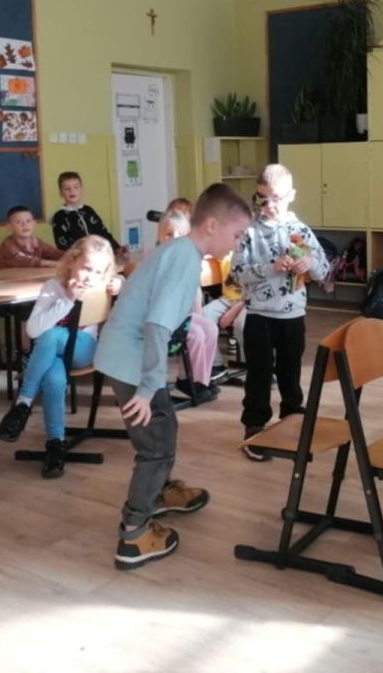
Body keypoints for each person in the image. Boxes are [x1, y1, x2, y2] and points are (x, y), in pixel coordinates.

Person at [94, 184, 251, 570]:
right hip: (133, 365)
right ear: (212, 225)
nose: (238, 243)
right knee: (155, 446)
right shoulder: (184, 259)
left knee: (164, 429)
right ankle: (134, 533)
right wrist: (149, 387)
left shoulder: (180, 251)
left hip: (129, 358)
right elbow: (157, 326)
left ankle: (159, 493)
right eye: (237, 235)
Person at [0, 236, 122, 478]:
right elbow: (33, 330)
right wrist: (68, 300)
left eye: (97, 272)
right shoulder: (53, 287)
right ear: (72, 261)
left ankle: (23, 403)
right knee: (53, 379)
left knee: (52, 335)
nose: (90, 277)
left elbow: (122, 281)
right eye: (86, 268)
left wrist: (120, 283)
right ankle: (56, 444)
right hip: (52, 353)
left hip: (84, 351)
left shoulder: (101, 286)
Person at [232, 164, 329, 461]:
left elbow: (324, 270)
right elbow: (237, 273)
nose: (268, 205)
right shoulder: (249, 231)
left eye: (275, 198)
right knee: (259, 374)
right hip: (259, 316)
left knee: (290, 370)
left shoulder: (301, 230)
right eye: (261, 198)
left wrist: (309, 264)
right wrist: (270, 268)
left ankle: (292, 418)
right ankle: (254, 425)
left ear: (291, 196)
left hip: (292, 316)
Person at [155, 210, 218, 402]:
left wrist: (196, 316)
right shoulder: (157, 259)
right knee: (195, 334)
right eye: (169, 234)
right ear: (159, 236)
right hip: (160, 318)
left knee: (210, 328)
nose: (175, 238)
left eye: (180, 234)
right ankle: (190, 380)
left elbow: (193, 291)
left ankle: (199, 380)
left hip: (180, 315)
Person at [51, 171, 123, 254]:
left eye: (76, 187)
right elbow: (61, 243)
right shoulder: (59, 216)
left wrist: (117, 248)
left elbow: (103, 232)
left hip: (99, 254)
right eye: (67, 189)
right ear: (61, 192)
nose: (72, 191)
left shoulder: (88, 210)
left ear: (81, 189)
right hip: (77, 257)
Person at [201, 252, 246, 377]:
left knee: (243, 324)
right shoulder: (224, 251)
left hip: (249, 301)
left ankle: (258, 365)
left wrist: (233, 312)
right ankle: (216, 365)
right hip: (227, 299)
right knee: (204, 316)